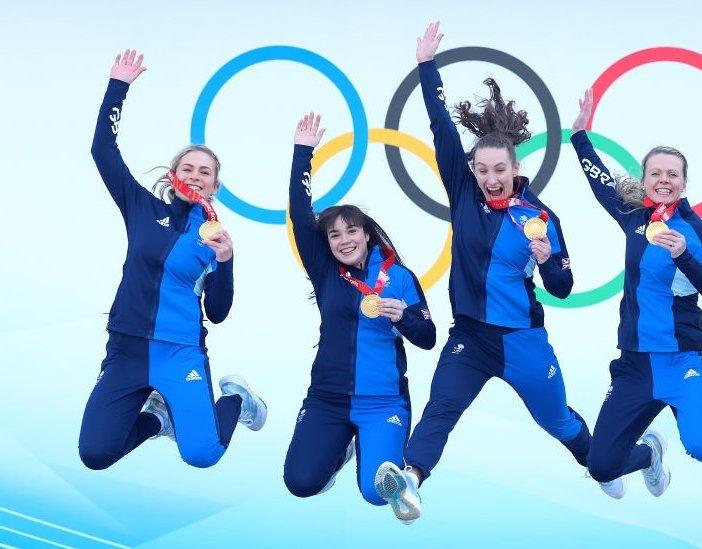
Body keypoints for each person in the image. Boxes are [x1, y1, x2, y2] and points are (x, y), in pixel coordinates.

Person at [374, 22, 592, 524]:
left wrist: (544, 259)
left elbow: (562, 286)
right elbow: (441, 127)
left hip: (523, 342)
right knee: (440, 409)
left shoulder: (540, 218)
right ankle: (409, 479)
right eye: (482, 169)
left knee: (560, 424)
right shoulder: (464, 194)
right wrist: (426, 65)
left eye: (499, 169)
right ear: (472, 170)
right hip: (470, 337)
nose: (491, 177)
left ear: (515, 169)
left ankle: (625, 459)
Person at [568, 88, 702, 516]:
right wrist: (580, 136)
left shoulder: (697, 231)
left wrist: (683, 256)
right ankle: (649, 455)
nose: (664, 181)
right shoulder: (634, 217)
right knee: (600, 465)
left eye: (672, 174)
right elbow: (600, 182)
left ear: (684, 182)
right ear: (646, 178)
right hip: (635, 363)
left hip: (683, 359)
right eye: (656, 174)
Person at [79, 50, 266, 471]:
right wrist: (117, 87)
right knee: (96, 453)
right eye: (188, 168)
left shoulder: (214, 238)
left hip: (180, 352)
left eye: (205, 171)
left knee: (202, 454)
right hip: (126, 347)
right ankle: (157, 419)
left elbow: (217, 313)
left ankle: (237, 399)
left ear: (215, 185)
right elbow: (102, 151)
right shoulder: (142, 208)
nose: (196, 175)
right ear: (172, 176)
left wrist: (228, 262)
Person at [283, 112, 436, 507]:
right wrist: (303, 154)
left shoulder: (399, 277)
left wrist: (403, 315)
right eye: (335, 235)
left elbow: (428, 338)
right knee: (300, 483)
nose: (344, 240)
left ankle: (374, 457)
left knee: (375, 494)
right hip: (327, 399)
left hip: (383, 401)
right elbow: (301, 217)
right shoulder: (325, 272)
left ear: (366, 234)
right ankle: (342, 450)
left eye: (352, 231)